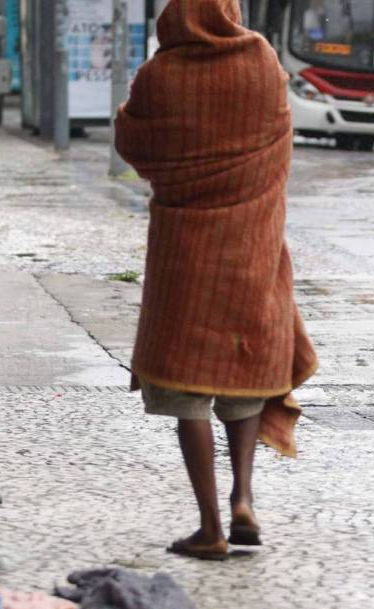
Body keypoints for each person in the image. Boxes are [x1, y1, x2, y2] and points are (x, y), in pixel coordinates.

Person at [114, 0, 318, 561]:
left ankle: (209, 526)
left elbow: (131, 141)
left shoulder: (161, 73)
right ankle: (244, 498)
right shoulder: (263, 63)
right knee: (243, 374)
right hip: (252, 248)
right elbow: (281, 142)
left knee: (186, 389)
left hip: (184, 256)